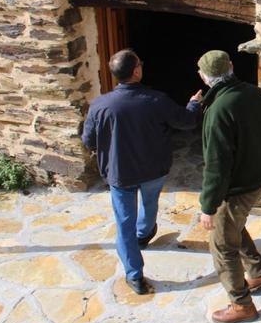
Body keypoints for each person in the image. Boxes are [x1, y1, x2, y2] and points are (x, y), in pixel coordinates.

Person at [82, 49, 202, 295]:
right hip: (152, 169)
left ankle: (134, 275)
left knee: (124, 222)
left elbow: (89, 141)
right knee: (149, 202)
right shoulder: (155, 100)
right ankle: (145, 233)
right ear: (136, 71)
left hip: (119, 173)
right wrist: (194, 103)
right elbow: (186, 121)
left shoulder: (99, 105)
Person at [196, 50, 261, 323]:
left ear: (204, 77)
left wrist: (207, 206)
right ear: (231, 67)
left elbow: (217, 165)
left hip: (238, 186)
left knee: (221, 244)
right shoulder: (255, 93)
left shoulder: (219, 110)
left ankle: (241, 305)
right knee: (232, 225)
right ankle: (258, 272)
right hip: (258, 178)